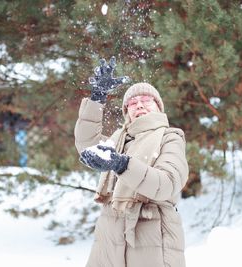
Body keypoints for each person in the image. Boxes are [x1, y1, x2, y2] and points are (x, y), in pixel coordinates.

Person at [74, 57, 189, 267]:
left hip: (152, 234)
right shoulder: (118, 139)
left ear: (158, 106)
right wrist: (96, 99)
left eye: (146, 100)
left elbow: (168, 183)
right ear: (127, 112)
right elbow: (86, 144)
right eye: (132, 103)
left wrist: (122, 165)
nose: (139, 105)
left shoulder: (170, 137)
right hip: (110, 233)